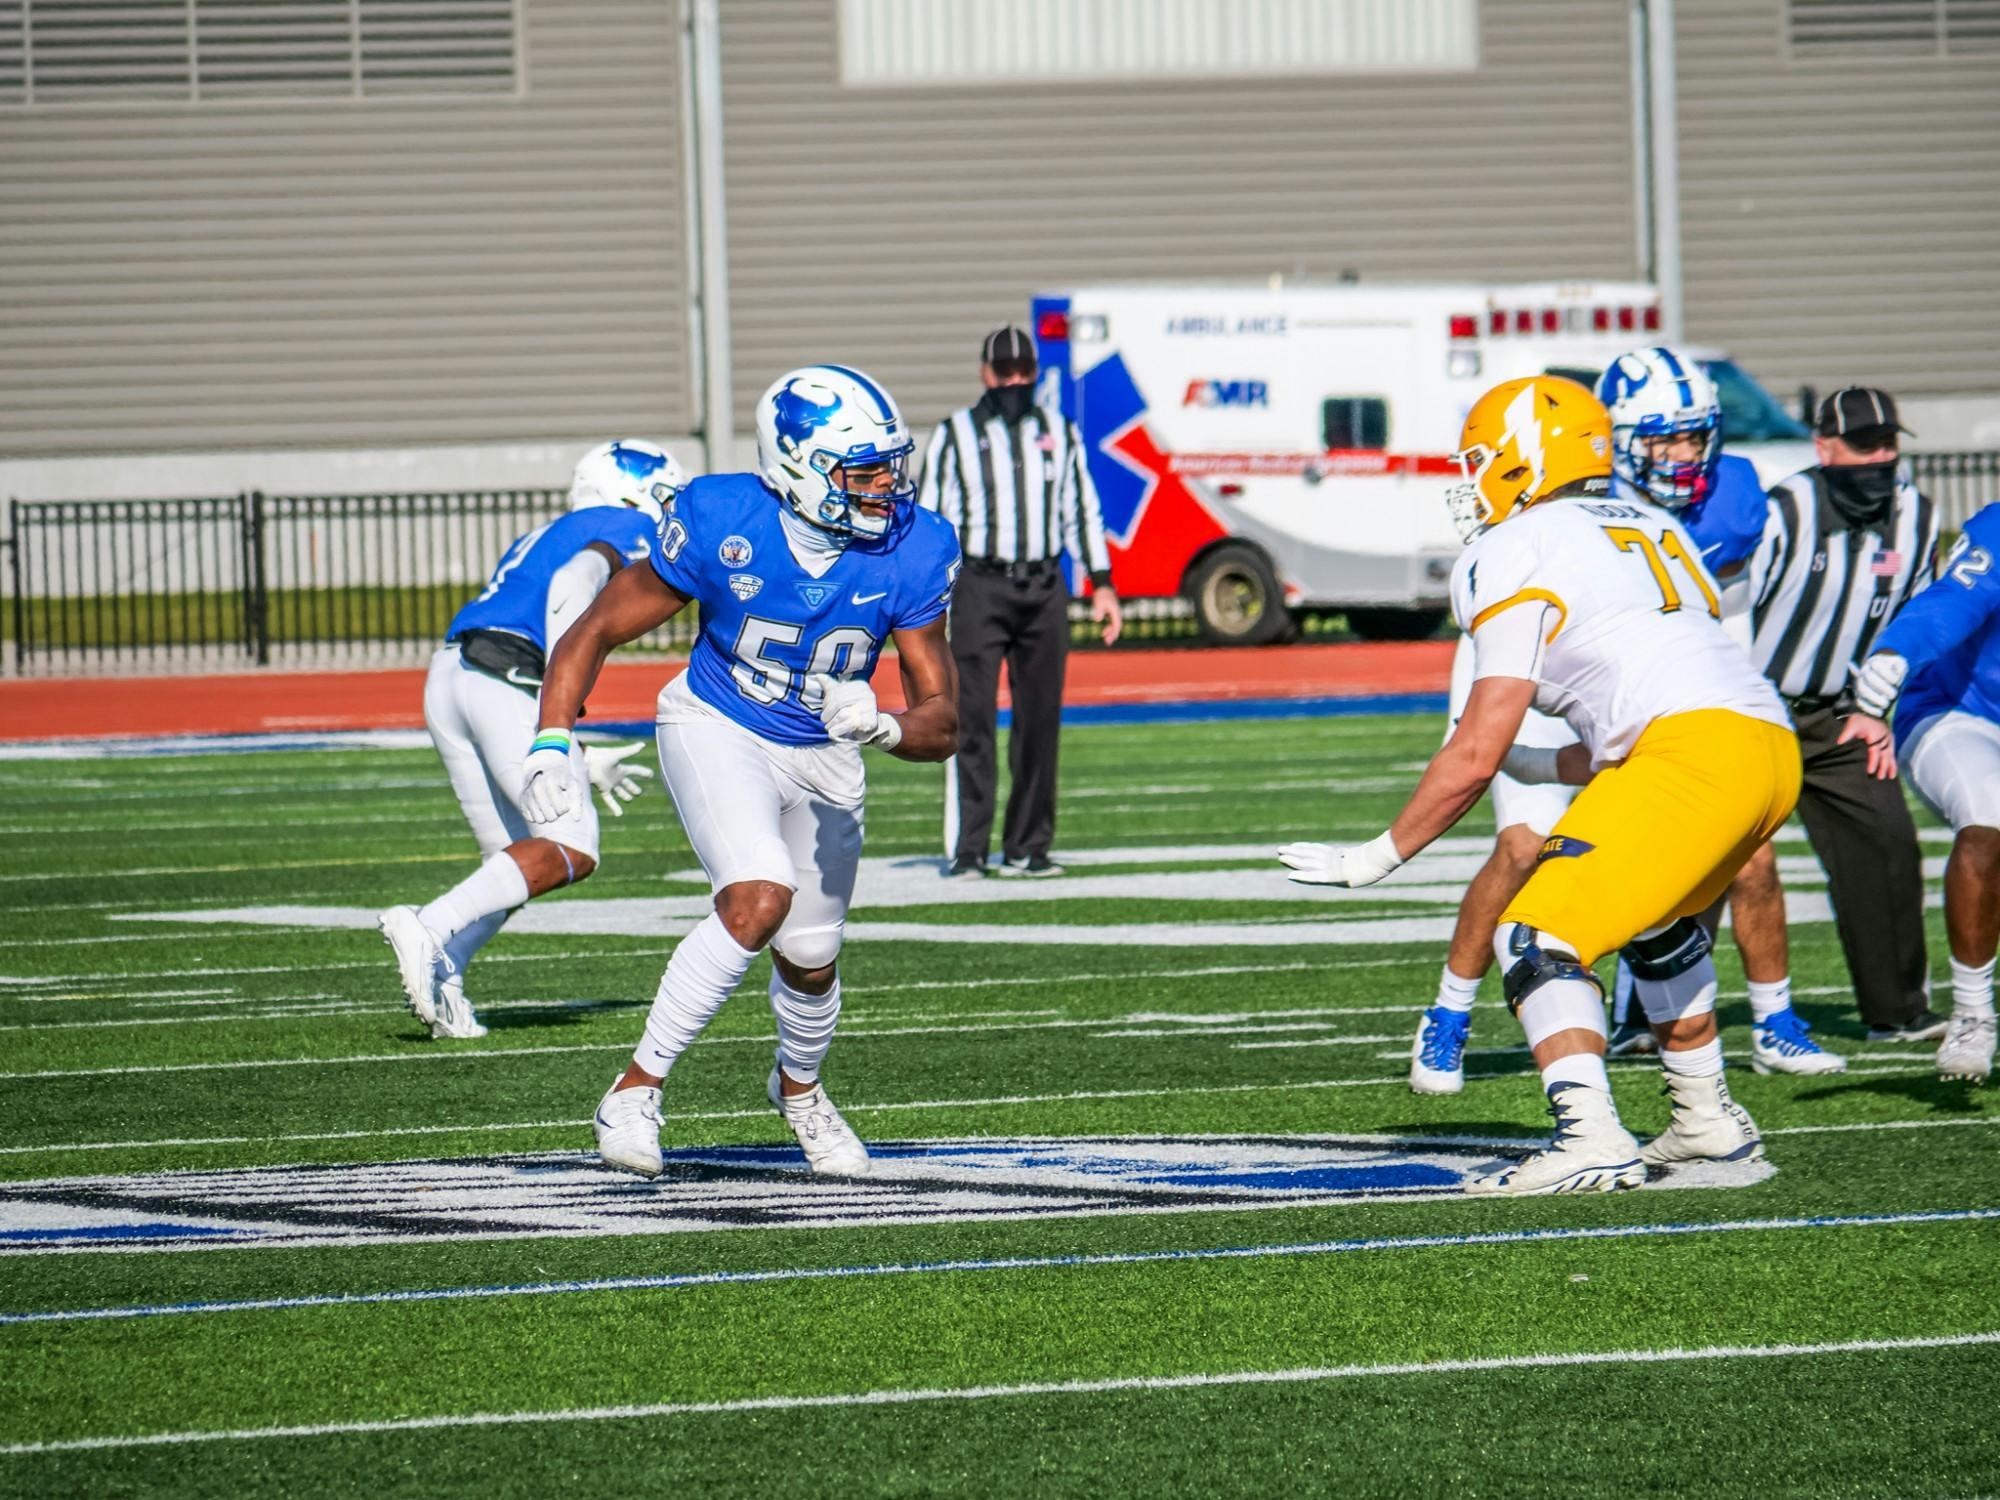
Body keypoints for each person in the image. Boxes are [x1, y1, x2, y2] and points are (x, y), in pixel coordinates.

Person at [1287, 375, 1799, 1195]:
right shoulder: (1652, 521)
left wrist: (1376, 856)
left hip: (1694, 751)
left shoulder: (1516, 544)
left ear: (1525, 459)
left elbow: (1477, 746)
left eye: (1485, 459)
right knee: (1660, 927)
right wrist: (1534, 763)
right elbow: (1615, 731)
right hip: (1764, 746)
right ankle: (1705, 1121)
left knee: (1534, 936)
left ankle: (1591, 1134)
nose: (1474, 477)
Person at [531, 365, 961, 1180]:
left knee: (812, 955)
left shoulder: (917, 548)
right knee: (758, 897)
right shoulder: (722, 517)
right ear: (798, 467)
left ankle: (798, 1093)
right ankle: (634, 1088)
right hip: (717, 721)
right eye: (863, 470)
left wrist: (883, 724)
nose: (886, 487)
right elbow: (594, 628)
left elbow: (944, 723)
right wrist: (553, 737)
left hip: (828, 753)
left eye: (887, 465)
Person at [1406, 349, 1838, 1094]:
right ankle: (1447, 1016)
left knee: (1736, 858)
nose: (1680, 457)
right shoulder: (1535, 530)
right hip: (1537, 665)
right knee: (1523, 848)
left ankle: (1764, 1025)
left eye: (1691, 438)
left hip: (1642, 693)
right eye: (1661, 440)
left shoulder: (1727, 499)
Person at [376, 440, 683, 1038]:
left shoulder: (552, 530)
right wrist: (558, 706)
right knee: (573, 846)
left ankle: (448, 975)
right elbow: (574, 581)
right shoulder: (628, 524)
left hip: (454, 673)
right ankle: (430, 926)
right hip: (510, 676)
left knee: (510, 861)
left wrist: (581, 755)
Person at [1744, 387, 1944, 1042]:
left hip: (1840, 718)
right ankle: (1638, 1014)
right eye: (1864, 446)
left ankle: (1898, 1010)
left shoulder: (1916, 515)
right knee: (1708, 863)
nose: (1880, 458)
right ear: (1824, 447)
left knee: (1888, 844)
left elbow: (1916, 622)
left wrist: (1878, 710)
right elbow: (1731, 616)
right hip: (1754, 713)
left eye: (1888, 444)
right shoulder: (1784, 513)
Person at [918, 325, 1122, 879]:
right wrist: (926, 593)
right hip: (981, 586)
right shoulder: (955, 434)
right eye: (1004, 372)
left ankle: (1030, 845)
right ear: (986, 374)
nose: (1013, 381)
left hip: (1043, 587)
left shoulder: (1059, 430)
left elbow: (1083, 508)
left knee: (1039, 722)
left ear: (1034, 373)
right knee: (973, 719)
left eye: (1022, 372)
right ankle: (970, 849)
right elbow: (931, 519)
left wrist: (1101, 582)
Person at [1839, 499, 2000, 1082]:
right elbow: (1950, 603)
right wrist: (1897, 651)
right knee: (1987, 819)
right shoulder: (1998, 529)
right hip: (1961, 712)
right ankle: (1974, 1013)